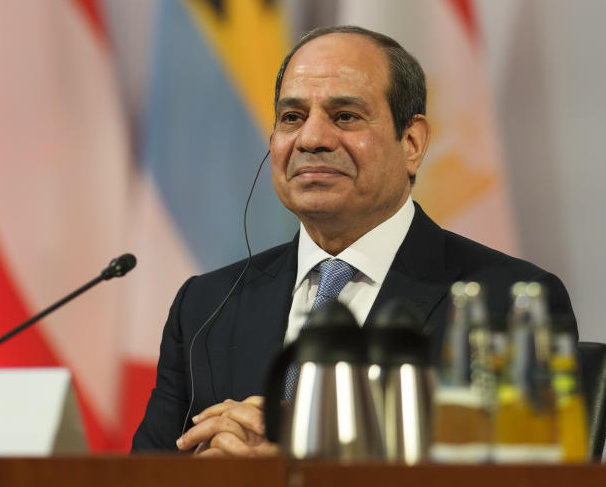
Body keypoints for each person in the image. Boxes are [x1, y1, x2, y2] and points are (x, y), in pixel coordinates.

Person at [131, 25, 575, 455]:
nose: (312, 138)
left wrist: (300, 470)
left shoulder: (508, 302)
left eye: (345, 116)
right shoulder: (207, 305)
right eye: (292, 117)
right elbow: (147, 473)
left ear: (413, 142)